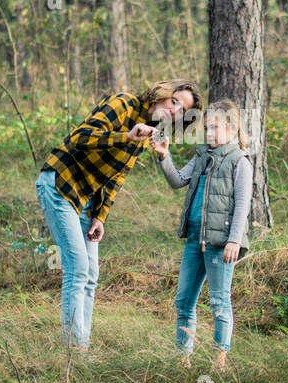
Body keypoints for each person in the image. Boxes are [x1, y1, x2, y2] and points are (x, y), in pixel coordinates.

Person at [35, 79, 200, 353]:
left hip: (86, 201)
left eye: (182, 111)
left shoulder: (151, 132)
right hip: (60, 183)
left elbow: (117, 176)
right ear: (162, 94)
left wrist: (100, 216)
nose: (174, 112)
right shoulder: (123, 104)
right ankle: (74, 352)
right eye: (174, 102)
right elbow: (80, 138)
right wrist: (126, 135)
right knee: (78, 269)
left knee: (91, 274)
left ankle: (81, 348)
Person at [152, 99, 252, 370]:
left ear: (232, 128)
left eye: (215, 127)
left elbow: (242, 205)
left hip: (220, 244)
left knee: (219, 301)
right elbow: (177, 181)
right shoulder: (201, 157)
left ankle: (219, 361)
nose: (209, 133)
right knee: (183, 300)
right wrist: (164, 156)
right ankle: (183, 358)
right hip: (196, 241)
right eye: (206, 128)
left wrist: (234, 239)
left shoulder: (239, 162)